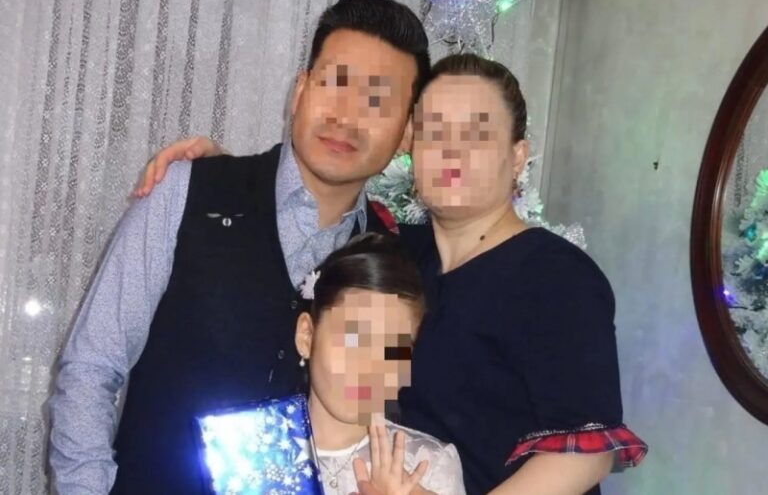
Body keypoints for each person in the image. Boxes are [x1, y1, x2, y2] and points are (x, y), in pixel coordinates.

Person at [144, 54, 648, 495]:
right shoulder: (398, 251)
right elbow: (310, 229)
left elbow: (585, 455)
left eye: (476, 133)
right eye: (434, 131)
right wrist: (226, 178)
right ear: (413, 148)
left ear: (517, 156)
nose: (451, 151)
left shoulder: (556, 276)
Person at [47, 0, 431, 494]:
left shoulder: (392, 264)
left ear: (406, 134)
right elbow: (91, 368)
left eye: (377, 101)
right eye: (335, 82)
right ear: (299, 91)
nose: (347, 116)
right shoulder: (188, 193)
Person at [293, 232, 465, 494]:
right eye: (355, 339)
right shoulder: (248, 452)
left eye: (395, 349)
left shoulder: (428, 465)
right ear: (306, 336)